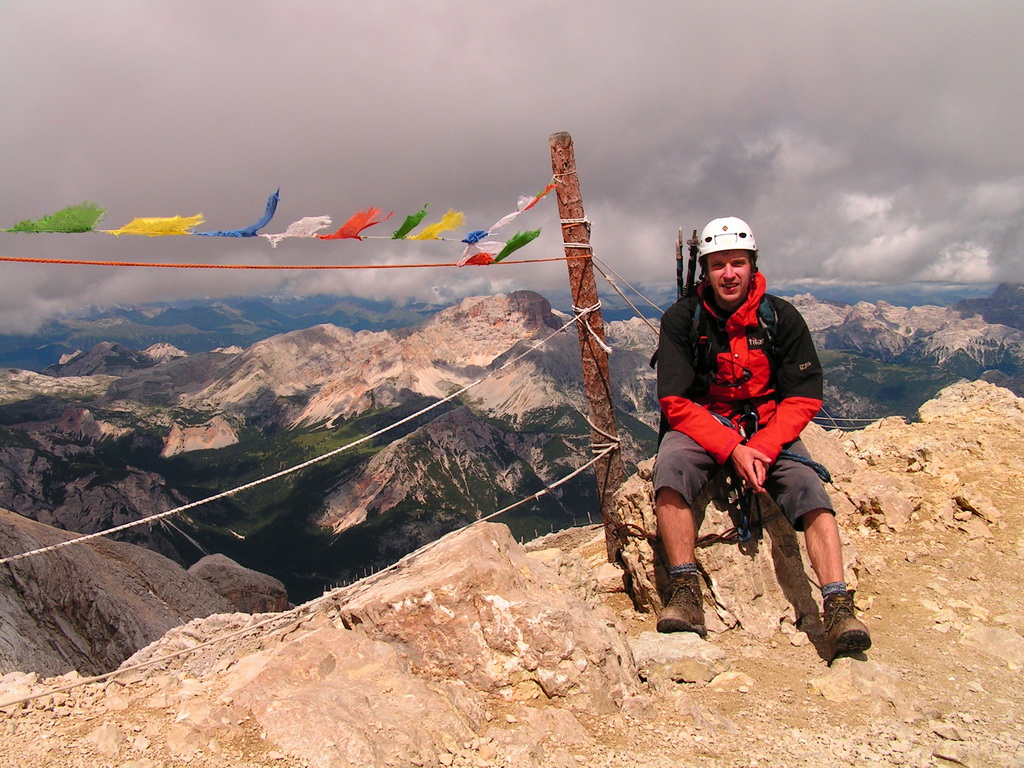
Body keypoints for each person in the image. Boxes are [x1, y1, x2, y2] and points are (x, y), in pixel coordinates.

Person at [653, 215, 870, 661]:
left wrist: (765, 447)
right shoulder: (682, 318)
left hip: (768, 426)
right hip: (702, 423)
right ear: (706, 271)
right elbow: (674, 401)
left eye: (737, 263)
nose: (728, 274)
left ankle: (838, 606)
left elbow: (805, 396)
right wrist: (732, 448)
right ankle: (685, 592)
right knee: (670, 469)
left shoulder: (781, 318)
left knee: (809, 489)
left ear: (752, 265)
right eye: (718, 265)